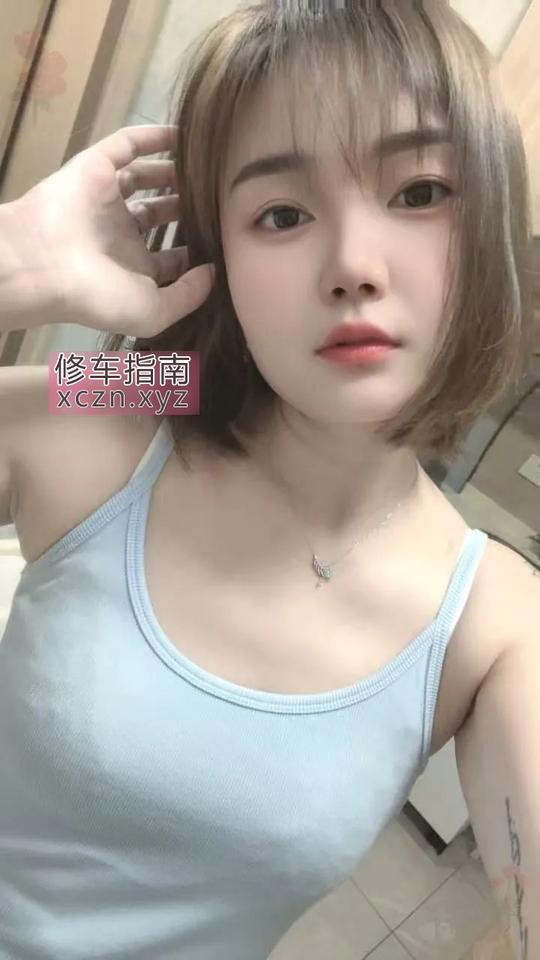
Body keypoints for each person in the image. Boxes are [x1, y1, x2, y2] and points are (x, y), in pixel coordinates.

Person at [0, 2, 536, 959]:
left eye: (419, 191)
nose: (353, 266)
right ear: (224, 258)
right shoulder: (146, 395)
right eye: (282, 214)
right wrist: (9, 262)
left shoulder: (493, 610)